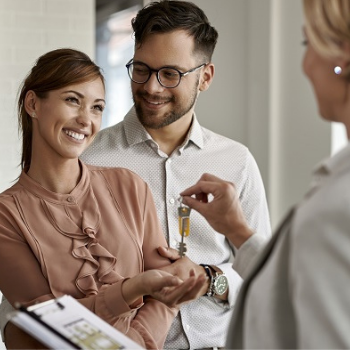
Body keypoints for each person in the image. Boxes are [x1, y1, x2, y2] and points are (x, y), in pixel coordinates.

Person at [80, 1, 271, 348]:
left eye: (171, 74)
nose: (152, 88)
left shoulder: (237, 162)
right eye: (142, 69)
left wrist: (210, 278)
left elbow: (264, 277)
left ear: (205, 77)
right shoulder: (90, 160)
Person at [0, 48, 206, 350]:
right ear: (33, 104)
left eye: (97, 107)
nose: (86, 120)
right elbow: (43, 325)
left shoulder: (129, 186)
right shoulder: (6, 216)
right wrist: (130, 290)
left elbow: (166, 295)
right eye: (73, 100)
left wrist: (135, 343)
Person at [181, 0, 350, 348]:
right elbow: (291, 283)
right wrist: (237, 231)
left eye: (307, 44)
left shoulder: (337, 208)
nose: (304, 65)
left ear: (341, 59)